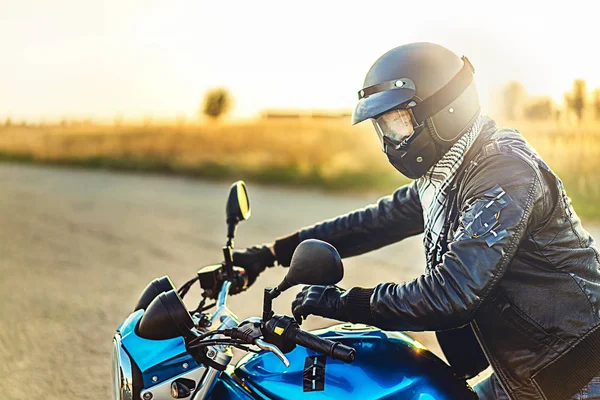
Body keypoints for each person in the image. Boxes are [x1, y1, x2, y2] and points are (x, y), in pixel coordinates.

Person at [232, 42, 600, 400]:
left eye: (397, 123)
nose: (390, 140)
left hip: (576, 379)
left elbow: (451, 293)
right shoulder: (448, 174)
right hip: (525, 375)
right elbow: (374, 222)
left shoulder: (505, 172)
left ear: (444, 111)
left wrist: (344, 303)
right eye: (382, 127)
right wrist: (270, 253)